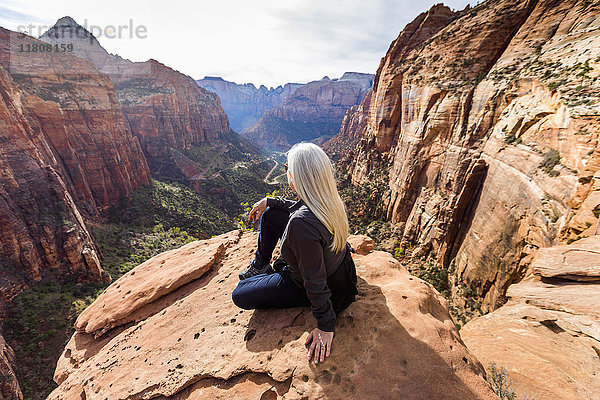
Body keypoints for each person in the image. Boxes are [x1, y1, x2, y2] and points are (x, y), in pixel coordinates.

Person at [232, 142, 358, 365]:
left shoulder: (301, 224)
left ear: (297, 176)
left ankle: (267, 274)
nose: (286, 171)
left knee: (240, 294)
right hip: (340, 269)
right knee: (270, 214)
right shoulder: (326, 199)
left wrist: (325, 324)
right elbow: (296, 208)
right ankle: (261, 265)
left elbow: (314, 279)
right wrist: (269, 201)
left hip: (310, 284)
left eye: (288, 168)